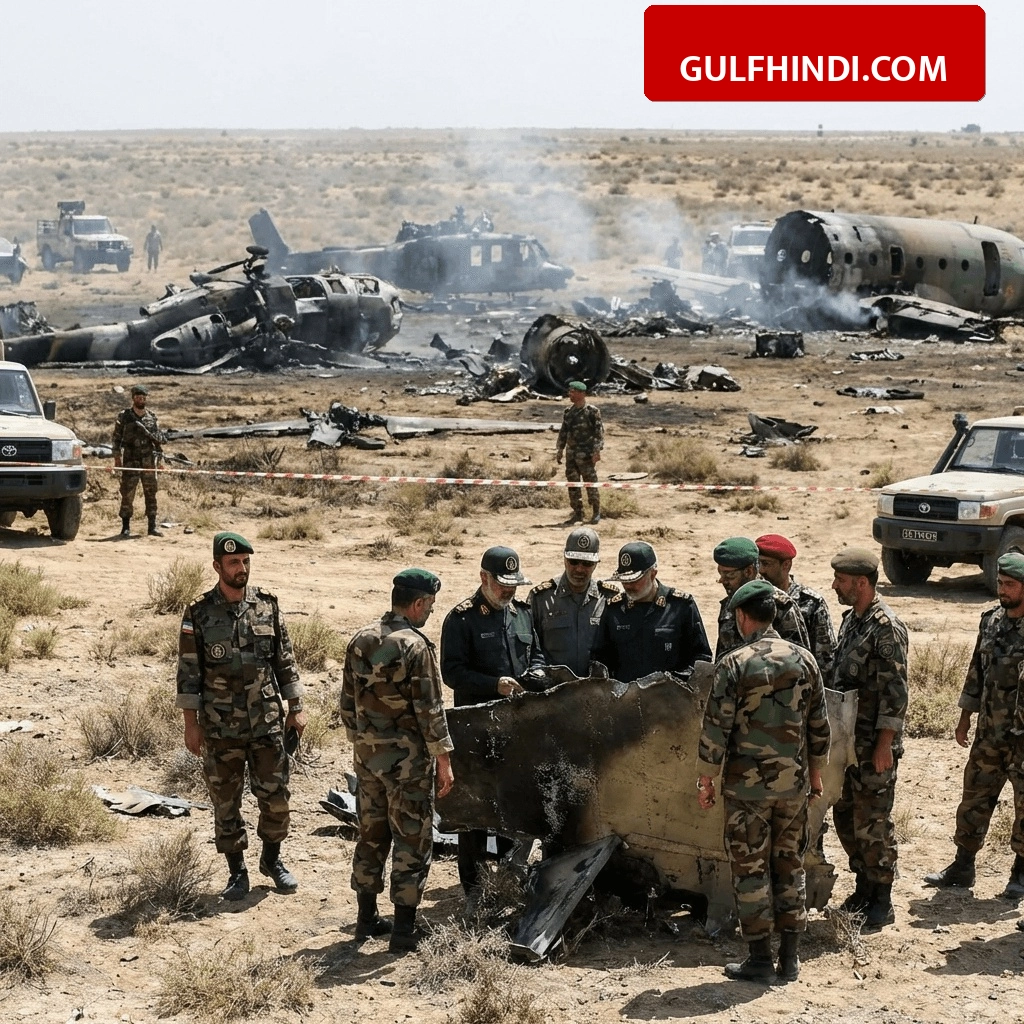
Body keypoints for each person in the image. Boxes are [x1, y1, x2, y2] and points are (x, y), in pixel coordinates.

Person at [698, 579, 830, 983]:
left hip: (747, 789)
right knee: (790, 865)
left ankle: (759, 959)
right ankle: (790, 959)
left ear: (742, 616)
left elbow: (716, 727)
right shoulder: (804, 660)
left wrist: (706, 779)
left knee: (751, 869)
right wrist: (816, 775)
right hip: (793, 786)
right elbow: (819, 726)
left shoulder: (735, 664)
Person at [176, 532, 306, 901]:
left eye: (245, 561)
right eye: (233, 562)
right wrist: (191, 725)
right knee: (226, 801)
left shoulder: (267, 606)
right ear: (217, 566)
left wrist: (296, 708)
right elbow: (188, 672)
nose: (241, 568)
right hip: (220, 727)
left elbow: (285, 661)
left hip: (266, 722)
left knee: (276, 797)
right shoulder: (199, 612)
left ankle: (272, 860)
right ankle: (237, 872)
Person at [342, 568, 455, 953]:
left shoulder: (360, 640)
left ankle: (365, 920)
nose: (431, 611)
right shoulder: (416, 647)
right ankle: (404, 931)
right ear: (418, 603)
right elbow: (430, 710)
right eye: (430, 605)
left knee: (370, 836)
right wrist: (443, 760)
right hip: (409, 766)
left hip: (368, 761)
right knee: (411, 840)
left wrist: (365, 745)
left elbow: (347, 705)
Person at [440, 546, 546, 895]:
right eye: (502, 584)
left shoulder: (522, 614)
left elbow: (537, 653)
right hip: (476, 730)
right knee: (475, 811)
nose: (508, 591)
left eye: (513, 584)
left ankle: (506, 879)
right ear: (483, 578)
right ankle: (473, 889)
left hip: (516, 729)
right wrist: (493, 685)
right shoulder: (462, 619)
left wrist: (536, 672)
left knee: (512, 805)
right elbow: (452, 673)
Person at [924, 552, 1024, 898]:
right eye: (1000, 583)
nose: (1003, 590)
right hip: (989, 735)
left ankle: (1020, 874)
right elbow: (975, 672)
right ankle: (962, 866)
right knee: (974, 799)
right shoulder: (991, 621)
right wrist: (965, 717)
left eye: (1010, 585)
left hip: (1023, 740)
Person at [830, 546, 908, 928]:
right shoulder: (851, 622)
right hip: (848, 744)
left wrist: (884, 745)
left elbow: (897, 693)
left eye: (841, 580)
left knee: (873, 822)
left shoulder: (886, 628)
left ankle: (881, 897)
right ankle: (862, 887)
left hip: (873, 745)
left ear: (861, 583)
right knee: (845, 816)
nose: (835, 586)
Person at [591, 541, 712, 683]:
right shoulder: (614, 609)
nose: (628, 586)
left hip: (669, 694)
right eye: (624, 580)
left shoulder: (681, 606)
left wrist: (676, 683)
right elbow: (600, 659)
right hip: (626, 694)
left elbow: (701, 659)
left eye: (634, 580)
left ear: (653, 574)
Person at [529, 527, 618, 678]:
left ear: (596, 564)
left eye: (587, 563)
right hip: (555, 687)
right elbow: (531, 649)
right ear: (564, 559)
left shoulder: (608, 598)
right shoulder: (541, 598)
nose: (579, 569)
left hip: (596, 686)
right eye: (574, 562)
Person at [756, 534, 837, 680]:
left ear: (786, 565)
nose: (761, 570)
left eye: (766, 564)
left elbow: (825, 659)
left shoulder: (810, 603)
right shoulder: (753, 599)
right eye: (758, 563)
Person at [713, 537, 809, 660]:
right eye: (720, 573)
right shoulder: (730, 602)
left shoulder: (781, 604)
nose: (722, 580)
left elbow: (799, 659)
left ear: (749, 571)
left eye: (729, 575)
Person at [112, 384, 164, 538]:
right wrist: (117, 458)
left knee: (151, 492)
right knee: (127, 493)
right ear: (133, 398)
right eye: (138, 397)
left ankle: (152, 527)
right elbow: (116, 438)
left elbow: (158, 441)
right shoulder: (124, 416)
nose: (141, 400)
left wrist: (160, 461)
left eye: (143, 397)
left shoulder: (152, 417)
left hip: (148, 460)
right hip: (130, 459)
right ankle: (125, 527)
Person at [555, 381, 604, 525]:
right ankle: (577, 513)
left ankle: (596, 512)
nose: (570, 394)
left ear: (582, 394)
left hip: (586, 454)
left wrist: (597, 451)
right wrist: (560, 449)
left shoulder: (592, 411)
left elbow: (599, 433)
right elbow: (564, 431)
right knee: (573, 484)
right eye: (570, 391)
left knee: (590, 483)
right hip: (571, 455)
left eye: (573, 392)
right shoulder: (568, 412)